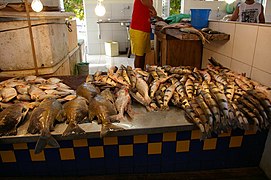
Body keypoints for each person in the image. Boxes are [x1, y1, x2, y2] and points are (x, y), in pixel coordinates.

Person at [129, 0, 157, 69]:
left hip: (144, 28)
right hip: (138, 29)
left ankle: (141, 74)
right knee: (139, 56)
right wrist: (153, 9)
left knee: (143, 55)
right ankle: (137, 76)